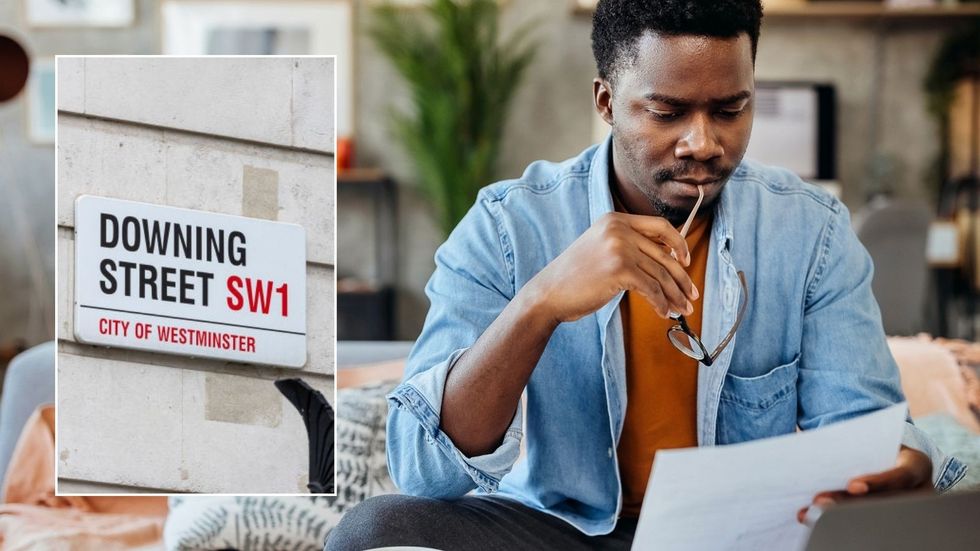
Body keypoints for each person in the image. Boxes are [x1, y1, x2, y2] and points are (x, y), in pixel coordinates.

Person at [326, 1, 965, 549]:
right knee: (373, 531)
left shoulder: (811, 232)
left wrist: (896, 463)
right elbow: (420, 467)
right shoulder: (508, 225)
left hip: (738, 536)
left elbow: (858, 427)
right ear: (606, 100)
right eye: (667, 112)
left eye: (730, 109)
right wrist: (542, 302)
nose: (703, 143)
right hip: (563, 531)